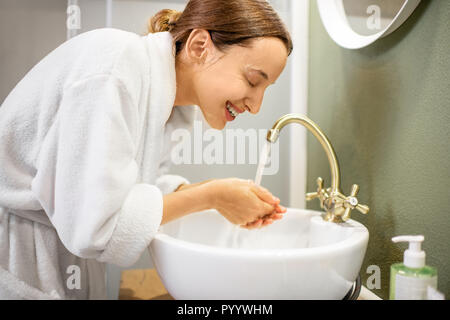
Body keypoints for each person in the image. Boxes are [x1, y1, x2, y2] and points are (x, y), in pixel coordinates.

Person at [0, 0, 292, 299]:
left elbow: (130, 191)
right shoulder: (115, 66)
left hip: (60, 262)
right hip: (16, 254)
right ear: (200, 46)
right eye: (253, 80)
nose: (256, 106)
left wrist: (216, 196)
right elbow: (96, 226)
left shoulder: (167, 105)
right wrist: (211, 195)